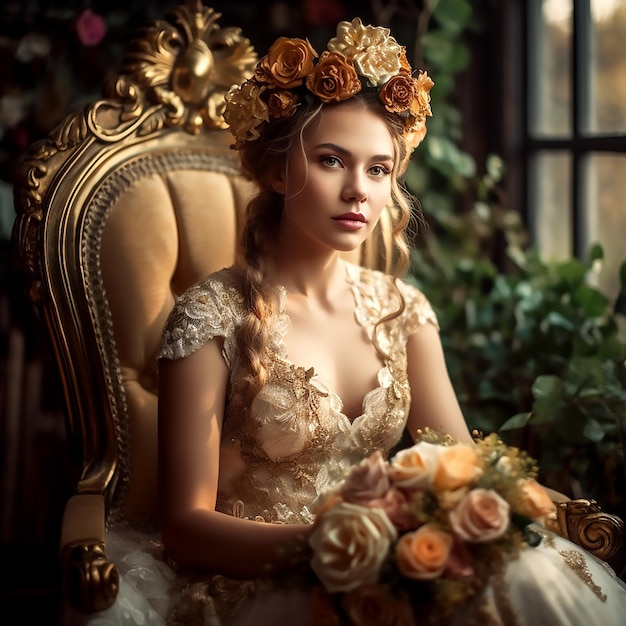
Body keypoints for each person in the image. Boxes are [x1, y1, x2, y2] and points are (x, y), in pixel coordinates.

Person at [69, 17, 626, 626]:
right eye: (333, 160)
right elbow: (187, 528)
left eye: (380, 169)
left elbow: (464, 464)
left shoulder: (402, 311)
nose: (358, 190)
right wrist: (335, 548)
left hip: (391, 565)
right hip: (262, 581)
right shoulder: (211, 316)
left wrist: (532, 516)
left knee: (521, 578)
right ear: (280, 173)